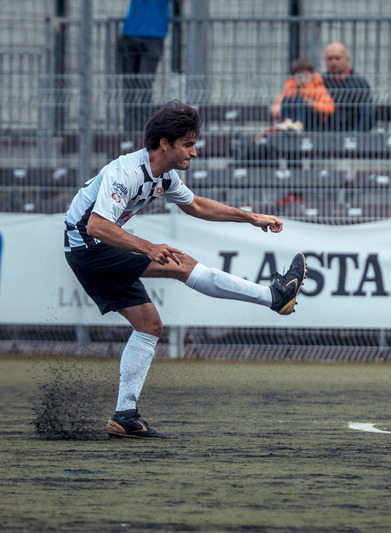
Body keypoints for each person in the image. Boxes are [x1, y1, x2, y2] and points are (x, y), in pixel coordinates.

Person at [63, 100, 307, 439]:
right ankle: (274, 296)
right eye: (189, 145)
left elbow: (195, 205)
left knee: (149, 325)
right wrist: (149, 247)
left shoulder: (162, 175)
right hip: (89, 248)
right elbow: (97, 227)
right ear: (166, 144)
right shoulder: (127, 172)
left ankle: (125, 416)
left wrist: (251, 218)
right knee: (181, 264)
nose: (194, 152)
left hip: (92, 251)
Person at [117, 0, 185, 132]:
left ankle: (143, 125)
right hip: (131, 33)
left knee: (144, 82)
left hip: (153, 36)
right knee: (129, 84)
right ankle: (129, 126)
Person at [322, 42, 375, 132]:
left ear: (347, 59)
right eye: (329, 59)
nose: (333, 62)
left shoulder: (359, 83)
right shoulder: (321, 81)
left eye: (337, 58)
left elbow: (367, 113)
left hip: (351, 131)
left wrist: (358, 135)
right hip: (325, 134)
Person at [271, 58, 335, 132]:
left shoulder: (318, 88)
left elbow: (330, 108)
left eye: (306, 75)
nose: (302, 79)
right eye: (299, 76)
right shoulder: (290, 88)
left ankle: (298, 124)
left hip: (314, 121)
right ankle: (287, 122)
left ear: (312, 75)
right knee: (289, 99)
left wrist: (312, 104)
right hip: (292, 117)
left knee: (299, 100)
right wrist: (279, 112)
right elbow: (278, 105)